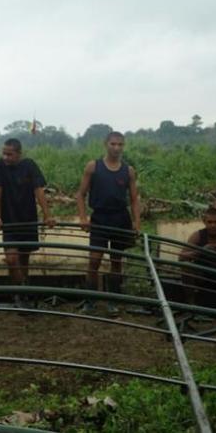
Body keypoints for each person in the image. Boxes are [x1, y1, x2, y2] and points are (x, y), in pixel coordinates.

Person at [76, 131, 141, 315]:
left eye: (120, 145)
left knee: (116, 261)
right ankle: (90, 301)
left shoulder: (128, 171)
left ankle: (113, 300)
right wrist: (83, 218)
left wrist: (137, 222)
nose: (116, 148)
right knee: (94, 260)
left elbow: (134, 199)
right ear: (106, 144)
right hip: (100, 218)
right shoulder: (93, 167)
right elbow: (80, 195)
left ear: (123, 146)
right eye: (113, 144)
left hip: (121, 219)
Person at [0, 138, 55, 307]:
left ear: (19, 153)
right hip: (9, 220)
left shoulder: (29, 166)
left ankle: (22, 294)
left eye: (9, 154)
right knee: (11, 259)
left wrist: (48, 215)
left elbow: (39, 191)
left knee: (24, 259)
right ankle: (22, 290)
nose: (5, 157)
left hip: (28, 219)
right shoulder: (0, 166)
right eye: (4, 153)